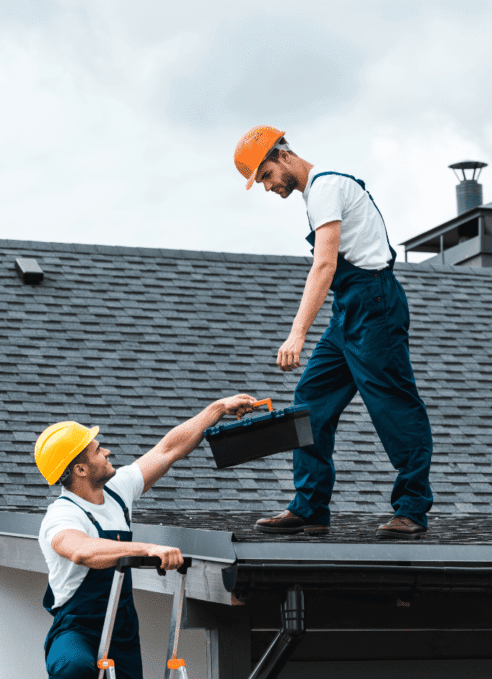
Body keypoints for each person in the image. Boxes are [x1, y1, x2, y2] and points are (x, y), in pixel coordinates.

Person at [233, 125, 434, 540]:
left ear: (283, 156)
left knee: (393, 404)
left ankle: (412, 509)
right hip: (350, 307)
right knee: (311, 400)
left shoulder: (325, 188)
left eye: (266, 176)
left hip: (373, 305)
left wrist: (296, 334)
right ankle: (310, 508)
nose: (268, 187)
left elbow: (324, 265)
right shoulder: (318, 194)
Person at [35, 393, 256, 679]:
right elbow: (82, 551)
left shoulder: (116, 491)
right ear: (80, 469)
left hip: (122, 629)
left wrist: (218, 408)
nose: (107, 453)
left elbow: (168, 449)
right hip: (78, 629)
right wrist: (148, 548)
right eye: (97, 450)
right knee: (72, 667)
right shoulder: (62, 515)